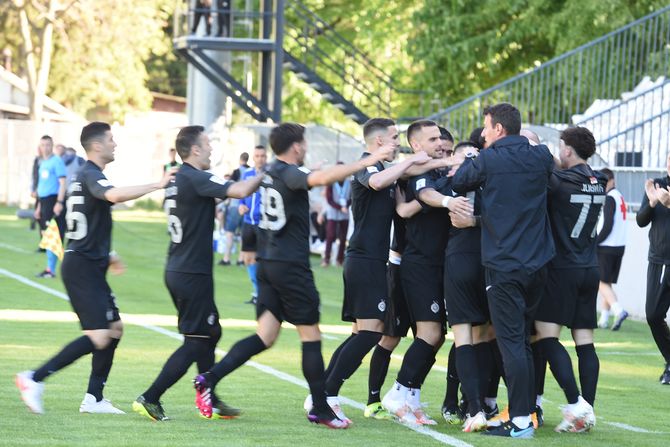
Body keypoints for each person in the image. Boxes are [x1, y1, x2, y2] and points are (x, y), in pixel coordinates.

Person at [191, 123, 394, 429]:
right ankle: (321, 408)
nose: (307, 146)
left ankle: (209, 378)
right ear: (297, 146)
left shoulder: (271, 170)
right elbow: (320, 178)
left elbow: (302, 179)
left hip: (268, 262)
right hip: (290, 266)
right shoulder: (289, 172)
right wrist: (366, 160)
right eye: (305, 143)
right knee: (311, 336)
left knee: (266, 336)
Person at [16, 121, 175, 414]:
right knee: (99, 335)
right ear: (97, 145)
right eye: (111, 139)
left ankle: (94, 398)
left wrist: (109, 253)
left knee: (114, 329)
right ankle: (34, 378)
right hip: (82, 268)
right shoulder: (90, 173)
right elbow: (112, 196)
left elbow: (88, 221)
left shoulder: (84, 175)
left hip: (90, 262)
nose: (115, 144)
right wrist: (158, 184)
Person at [133, 126, 263, 421]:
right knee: (196, 340)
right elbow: (241, 191)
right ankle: (150, 397)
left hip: (180, 267)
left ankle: (210, 395)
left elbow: (207, 198)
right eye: (207, 144)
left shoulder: (178, 177)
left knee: (210, 331)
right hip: (191, 272)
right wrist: (270, 174)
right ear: (194, 150)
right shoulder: (197, 176)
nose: (211, 149)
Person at [318, 118, 434, 424]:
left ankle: (321, 393)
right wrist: (408, 161)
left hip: (370, 260)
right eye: (395, 137)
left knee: (360, 332)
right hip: (364, 260)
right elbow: (378, 182)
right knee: (370, 333)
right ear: (379, 141)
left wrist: (449, 159)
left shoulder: (385, 168)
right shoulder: (366, 166)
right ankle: (327, 396)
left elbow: (409, 171)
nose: (399, 142)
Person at [452, 103, 555, 439]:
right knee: (521, 342)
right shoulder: (540, 156)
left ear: (498, 129)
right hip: (537, 265)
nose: (482, 133)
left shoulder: (488, 158)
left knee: (511, 344)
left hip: (505, 266)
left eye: (486, 127)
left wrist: (475, 156)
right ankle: (524, 415)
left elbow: (459, 182)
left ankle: (522, 420)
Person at [381, 120, 471, 425]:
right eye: (435, 141)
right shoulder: (420, 173)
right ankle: (396, 392)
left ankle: (412, 397)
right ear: (418, 144)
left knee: (436, 336)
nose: (441, 146)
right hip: (419, 265)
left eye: (444, 144)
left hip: (439, 265)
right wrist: (447, 195)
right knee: (428, 334)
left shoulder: (440, 171)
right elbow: (421, 198)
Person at [534, 127, 604, 433]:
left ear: (567, 150)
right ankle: (586, 410)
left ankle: (576, 404)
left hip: (563, 269)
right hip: (590, 268)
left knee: (546, 337)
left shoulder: (559, 181)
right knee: (585, 343)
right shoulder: (599, 181)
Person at [636, 155, 670, 385]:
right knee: (654, 315)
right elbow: (640, 220)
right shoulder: (657, 184)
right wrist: (652, 203)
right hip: (659, 260)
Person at [596, 168, 629, 330]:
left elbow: (607, 225)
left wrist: (595, 242)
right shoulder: (620, 196)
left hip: (607, 247)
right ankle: (604, 319)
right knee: (606, 282)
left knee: (600, 282)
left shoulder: (610, 198)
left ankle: (619, 310)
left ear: (611, 181)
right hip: (619, 247)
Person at [238, 145, 268, 304]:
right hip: (248, 222)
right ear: (253, 158)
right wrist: (240, 205)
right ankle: (257, 292)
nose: (260, 158)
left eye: (263, 155)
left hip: (263, 224)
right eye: (257, 155)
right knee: (248, 259)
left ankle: (263, 292)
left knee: (262, 259)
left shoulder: (270, 175)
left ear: (266, 157)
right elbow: (241, 193)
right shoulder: (247, 174)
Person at [34, 135, 67, 279]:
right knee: (47, 234)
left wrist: (59, 203)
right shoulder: (42, 162)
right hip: (44, 202)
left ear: (52, 146)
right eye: (43, 145)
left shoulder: (57, 161)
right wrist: (39, 207)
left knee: (52, 235)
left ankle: (50, 270)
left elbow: (63, 183)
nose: (45, 147)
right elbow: (42, 186)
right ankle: (50, 269)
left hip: (54, 201)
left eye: (48, 145)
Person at [220, 152, 250, 265]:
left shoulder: (236, 172)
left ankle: (226, 258)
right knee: (243, 234)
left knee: (230, 233)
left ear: (240, 159)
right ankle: (241, 259)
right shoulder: (250, 172)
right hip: (246, 206)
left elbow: (230, 187)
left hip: (235, 205)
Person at [321, 162, 351, 267]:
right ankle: (326, 259)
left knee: (343, 237)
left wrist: (346, 206)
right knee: (330, 235)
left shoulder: (349, 182)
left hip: (345, 213)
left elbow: (351, 197)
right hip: (333, 213)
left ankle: (340, 260)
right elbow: (329, 199)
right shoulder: (331, 182)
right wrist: (340, 207)